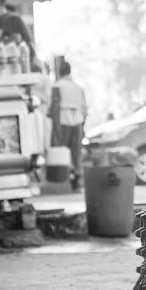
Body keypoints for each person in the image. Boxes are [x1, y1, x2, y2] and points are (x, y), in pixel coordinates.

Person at [52, 59, 88, 191]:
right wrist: (83, 126)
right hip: (77, 121)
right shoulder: (78, 87)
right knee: (76, 154)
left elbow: (53, 108)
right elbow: (85, 109)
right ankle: (78, 182)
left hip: (62, 121)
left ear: (59, 71)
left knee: (63, 152)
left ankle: (65, 181)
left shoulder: (56, 86)